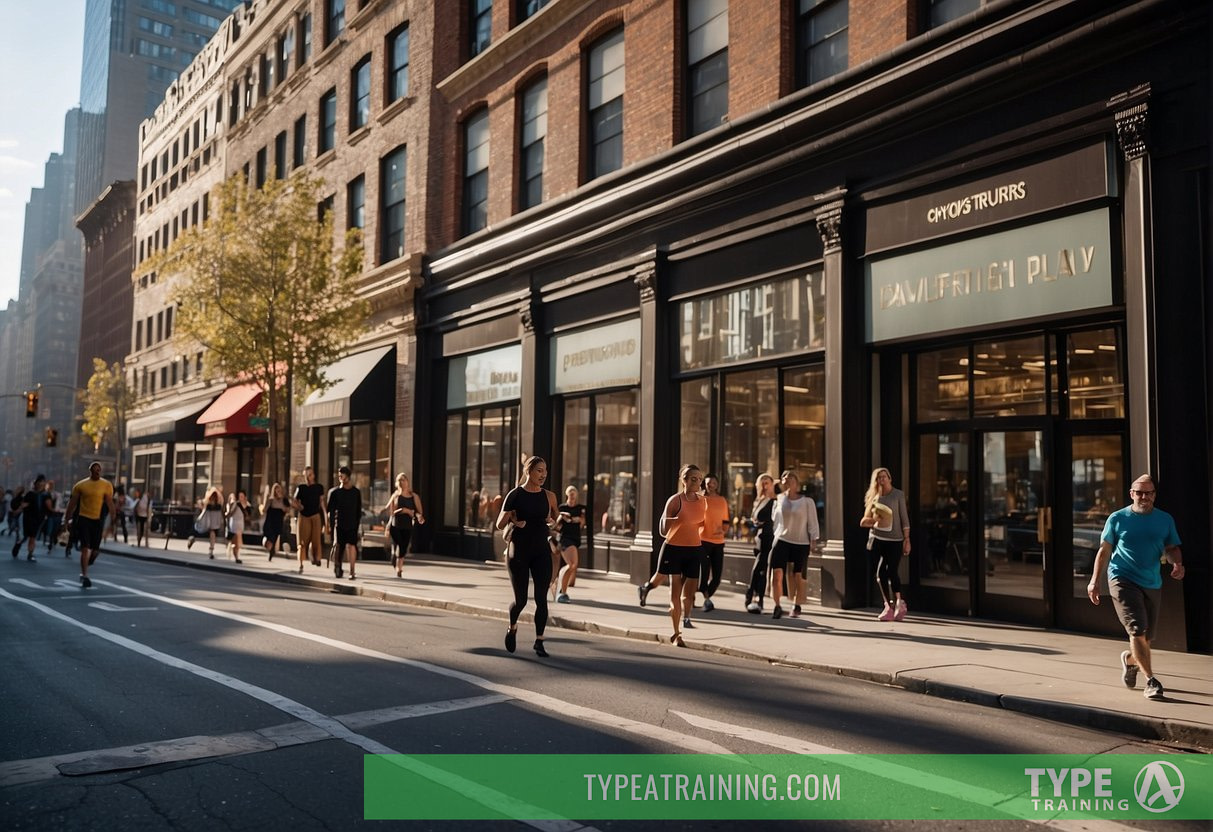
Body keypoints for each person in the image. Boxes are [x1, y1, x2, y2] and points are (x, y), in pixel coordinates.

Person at [1087, 474, 1184, 700]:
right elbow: (1104, 551)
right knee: (1137, 629)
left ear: (1154, 495)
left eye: (1148, 493)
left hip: (1151, 581)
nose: (1144, 497)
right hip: (1122, 578)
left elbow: (1171, 547)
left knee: (1145, 638)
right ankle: (1151, 681)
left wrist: (1177, 563)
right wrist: (1094, 581)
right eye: (1139, 492)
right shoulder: (1117, 518)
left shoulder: (1165, 519)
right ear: (1131, 494)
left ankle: (1131, 660)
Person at [497, 456, 560, 657]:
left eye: (545, 470)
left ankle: (539, 641)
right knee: (521, 601)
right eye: (539, 470)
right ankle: (512, 626)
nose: (543, 475)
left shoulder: (549, 496)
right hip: (519, 551)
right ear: (528, 472)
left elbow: (556, 521)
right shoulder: (515, 494)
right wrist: (513, 520)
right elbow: (499, 524)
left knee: (541, 598)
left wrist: (552, 521)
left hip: (541, 551)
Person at [638, 464, 705, 646]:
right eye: (693, 479)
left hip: (694, 550)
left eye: (699, 479)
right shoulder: (675, 501)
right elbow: (662, 530)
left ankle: (687, 618)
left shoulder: (703, 502)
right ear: (684, 480)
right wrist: (672, 522)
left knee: (689, 593)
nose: (697, 482)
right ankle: (677, 634)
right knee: (674, 590)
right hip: (674, 549)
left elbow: (703, 525)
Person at [860, 467, 912, 622]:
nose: (882, 479)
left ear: (890, 478)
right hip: (877, 539)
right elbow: (863, 521)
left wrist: (907, 539)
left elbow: (904, 519)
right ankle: (888, 607)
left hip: (895, 540)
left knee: (892, 570)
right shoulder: (874, 498)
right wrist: (875, 520)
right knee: (880, 573)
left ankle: (899, 602)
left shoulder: (898, 495)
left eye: (884, 476)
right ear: (876, 481)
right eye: (879, 477)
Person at [769, 470, 819, 620]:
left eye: (790, 476)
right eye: (784, 476)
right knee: (777, 574)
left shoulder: (807, 501)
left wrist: (813, 540)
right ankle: (777, 606)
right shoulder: (778, 499)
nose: (787, 478)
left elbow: (813, 522)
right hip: (781, 540)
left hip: (801, 542)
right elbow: (775, 520)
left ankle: (796, 605)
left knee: (797, 576)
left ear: (797, 482)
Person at [63, 462, 118, 589]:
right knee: (85, 548)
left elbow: (110, 503)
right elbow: (72, 503)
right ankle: (84, 575)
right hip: (84, 519)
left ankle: (89, 561)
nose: (97, 471)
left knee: (95, 551)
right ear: (90, 471)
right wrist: (66, 519)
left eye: (99, 469)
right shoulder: (81, 485)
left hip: (97, 520)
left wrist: (113, 519)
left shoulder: (106, 485)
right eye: (95, 469)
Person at [695, 474, 730, 617]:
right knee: (703, 573)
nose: (711, 485)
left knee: (716, 578)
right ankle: (706, 600)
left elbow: (726, 520)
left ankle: (705, 597)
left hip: (718, 542)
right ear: (705, 484)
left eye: (714, 482)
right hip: (703, 540)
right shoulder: (700, 499)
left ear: (717, 484)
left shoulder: (722, 500)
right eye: (709, 483)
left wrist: (724, 530)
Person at [746, 473, 777, 613]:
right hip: (759, 537)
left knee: (760, 568)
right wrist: (755, 522)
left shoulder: (775, 500)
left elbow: (774, 519)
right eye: (762, 483)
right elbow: (755, 518)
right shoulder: (759, 500)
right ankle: (757, 598)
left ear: (772, 485)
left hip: (768, 537)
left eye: (767, 483)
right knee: (760, 569)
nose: (764, 486)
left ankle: (752, 595)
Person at [384, 473, 424, 578]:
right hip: (395, 525)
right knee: (400, 544)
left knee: (404, 547)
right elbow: (391, 512)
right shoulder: (395, 495)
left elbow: (419, 511)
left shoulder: (414, 496)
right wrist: (404, 510)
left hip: (407, 526)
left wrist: (419, 516)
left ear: (407, 482)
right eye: (400, 480)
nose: (402, 482)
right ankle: (399, 568)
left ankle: (397, 561)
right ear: (397, 483)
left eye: (403, 480)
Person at [327, 466, 362, 580]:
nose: (340, 477)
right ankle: (338, 567)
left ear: (348, 476)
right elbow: (330, 511)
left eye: (342, 475)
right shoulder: (334, 492)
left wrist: (357, 525)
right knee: (339, 546)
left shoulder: (356, 492)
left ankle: (352, 571)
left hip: (352, 524)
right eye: (339, 475)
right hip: (339, 524)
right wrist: (330, 526)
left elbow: (358, 510)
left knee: (352, 546)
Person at [553, 485, 585, 603]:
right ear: (567, 494)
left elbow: (582, 524)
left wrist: (577, 520)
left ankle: (560, 589)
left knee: (573, 565)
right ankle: (561, 592)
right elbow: (556, 526)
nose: (572, 496)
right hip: (565, 538)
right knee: (572, 564)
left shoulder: (580, 508)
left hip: (575, 538)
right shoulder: (562, 507)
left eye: (574, 494)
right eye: (570, 493)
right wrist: (562, 518)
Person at [292, 466, 327, 569]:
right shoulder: (301, 488)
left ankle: (317, 558)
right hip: (304, 515)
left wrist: (326, 516)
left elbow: (322, 502)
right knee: (302, 541)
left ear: (314, 475)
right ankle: (301, 563)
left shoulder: (319, 487)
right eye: (306, 475)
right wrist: (299, 506)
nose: (308, 477)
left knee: (316, 539)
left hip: (315, 515)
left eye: (310, 475)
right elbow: (294, 501)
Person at [12, 475, 48, 562]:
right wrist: (17, 511)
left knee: (32, 537)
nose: (40, 485)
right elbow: (24, 505)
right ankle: (18, 544)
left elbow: (47, 506)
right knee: (25, 537)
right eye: (39, 483)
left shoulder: (45, 495)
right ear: (36, 484)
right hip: (28, 518)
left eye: (42, 483)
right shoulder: (30, 494)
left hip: (38, 519)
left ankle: (30, 554)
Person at [188, 487, 225, 558]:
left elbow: (204, 513)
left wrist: (199, 519)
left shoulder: (212, 506)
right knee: (211, 535)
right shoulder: (216, 506)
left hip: (209, 524)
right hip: (212, 524)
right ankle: (211, 550)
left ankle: (210, 550)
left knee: (208, 535)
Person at [261, 483, 288, 564]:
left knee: (275, 538)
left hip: (278, 521)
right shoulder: (271, 499)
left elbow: (287, 509)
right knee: (270, 538)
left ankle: (271, 553)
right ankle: (269, 548)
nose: (278, 491)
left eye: (279, 489)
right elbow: (265, 509)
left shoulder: (284, 500)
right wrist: (266, 499)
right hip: (271, 521)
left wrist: (284, 507)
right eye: (276, 489)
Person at [225, 490, 251, 563]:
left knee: (237, 541)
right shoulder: (236, 504)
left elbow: (249, 515)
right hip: (234, 523)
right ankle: (236, 557)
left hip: (241, 524)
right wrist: (235, 506)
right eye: (239, 496)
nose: (241, 498)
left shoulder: (247, 504)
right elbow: (231, 514)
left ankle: (232, 547)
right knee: (237, 540)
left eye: (242, 496)